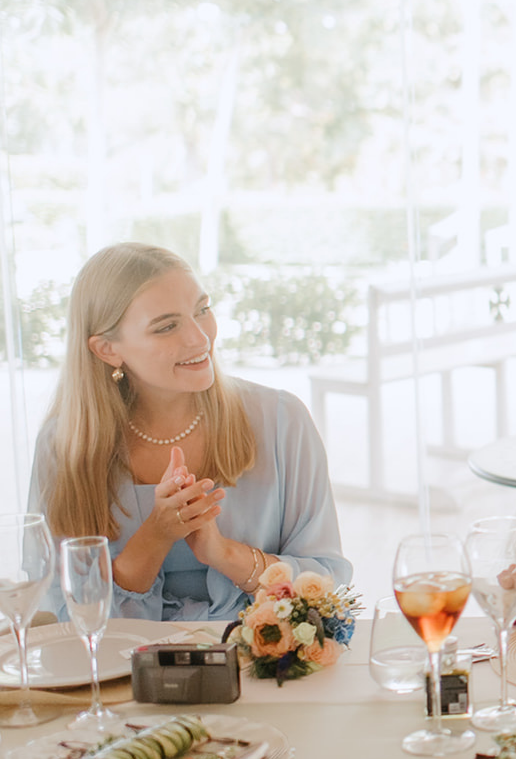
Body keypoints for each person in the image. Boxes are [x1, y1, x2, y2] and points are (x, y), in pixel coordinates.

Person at [28, 243, 352, 622]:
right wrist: (155, 535)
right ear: (107, 349)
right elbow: (61, 614)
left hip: (262, 667)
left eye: (202, 309)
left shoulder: (282, 421)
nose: (200, 339)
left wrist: (222, 552)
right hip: (121, 669)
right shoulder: (64, 445)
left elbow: (326, 582)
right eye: (167, 326)